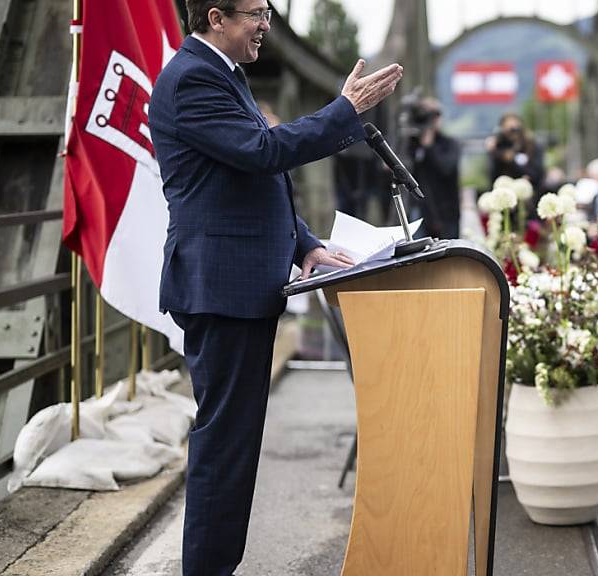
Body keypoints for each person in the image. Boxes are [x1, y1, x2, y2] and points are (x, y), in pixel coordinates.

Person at [148, 1, 402, 573]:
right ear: (216, 17)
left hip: (237, 287)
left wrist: (306, 245)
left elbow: (253, 184)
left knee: (234, 446)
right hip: (221, 289)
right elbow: (264, 154)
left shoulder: (223, 76)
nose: (267, 22)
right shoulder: (192, 79)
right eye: (256, 12)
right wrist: (344, 112)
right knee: (224, 448)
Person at [406, 98, 461, 239]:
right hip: (419, 210)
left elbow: (446, 168)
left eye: (433, 115)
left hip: (446, 214)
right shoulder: (410, 145)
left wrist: (429, 147)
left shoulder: (450, 144)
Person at [488, 113, 545, 193]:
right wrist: (494, 152)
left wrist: (512, 160)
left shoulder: (532, 146)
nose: (514, 133)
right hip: (504, 191)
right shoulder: (499, 147)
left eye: (516, 129)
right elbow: (493, 175)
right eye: (510, 130)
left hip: (530, 193)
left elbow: (538, 174)